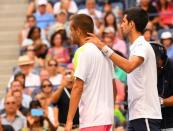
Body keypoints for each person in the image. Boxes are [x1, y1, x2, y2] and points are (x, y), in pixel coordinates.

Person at [85, 7, 162, 131]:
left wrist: (102, 46)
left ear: (131, 24)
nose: (121, 25)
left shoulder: (142, 45)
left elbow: (128, 66)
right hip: (136, 114)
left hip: (145, 114)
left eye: (123, 21)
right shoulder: (137, 47)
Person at [65, 14, 115, 131]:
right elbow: (114, 88)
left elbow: (77, 87)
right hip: (107, 119)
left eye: (71, 30)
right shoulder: (105, 53)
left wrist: (69, 121)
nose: (70, 34)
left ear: (78, 31)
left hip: (92, 121)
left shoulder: (81, 52)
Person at [151, 43, 173, 130]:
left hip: (170, 120)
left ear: (162, 58)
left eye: (156, 60)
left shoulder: (171, 67)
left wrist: (161, 101)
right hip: (152, 120)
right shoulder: (145, 68)